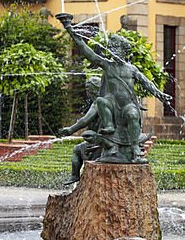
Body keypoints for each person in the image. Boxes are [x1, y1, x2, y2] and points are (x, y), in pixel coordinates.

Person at [56, 14, 170, 163]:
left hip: (127, 105)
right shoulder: (107, 65)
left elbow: (146, 83)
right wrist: (69, 29)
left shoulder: (131, 69)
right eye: (112, 49)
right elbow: (85, 50)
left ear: (123, 51)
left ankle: (136, 152)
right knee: (101, 101)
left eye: (116, 48)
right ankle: (109, 125)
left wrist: (160, 94)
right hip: (112, 105)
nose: (113, 51)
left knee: (132, 114)